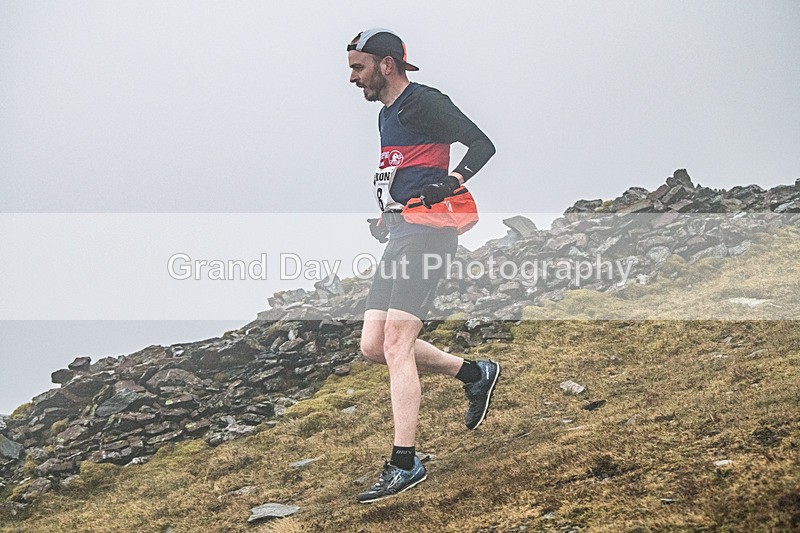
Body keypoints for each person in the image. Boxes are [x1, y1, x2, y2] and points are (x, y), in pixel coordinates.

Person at [347, 28, 501, 504]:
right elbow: (399, 173)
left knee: (397, 343)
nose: (353, 78)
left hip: (432, 233)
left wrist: (451, 182)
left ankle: (405, 462)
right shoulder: (386, 115)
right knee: (373, 345)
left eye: (358, 67)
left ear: (386, 65)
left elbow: (482, 144)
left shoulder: (425, 101)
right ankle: (475, 374)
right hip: (401, 232)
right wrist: (383, 216)